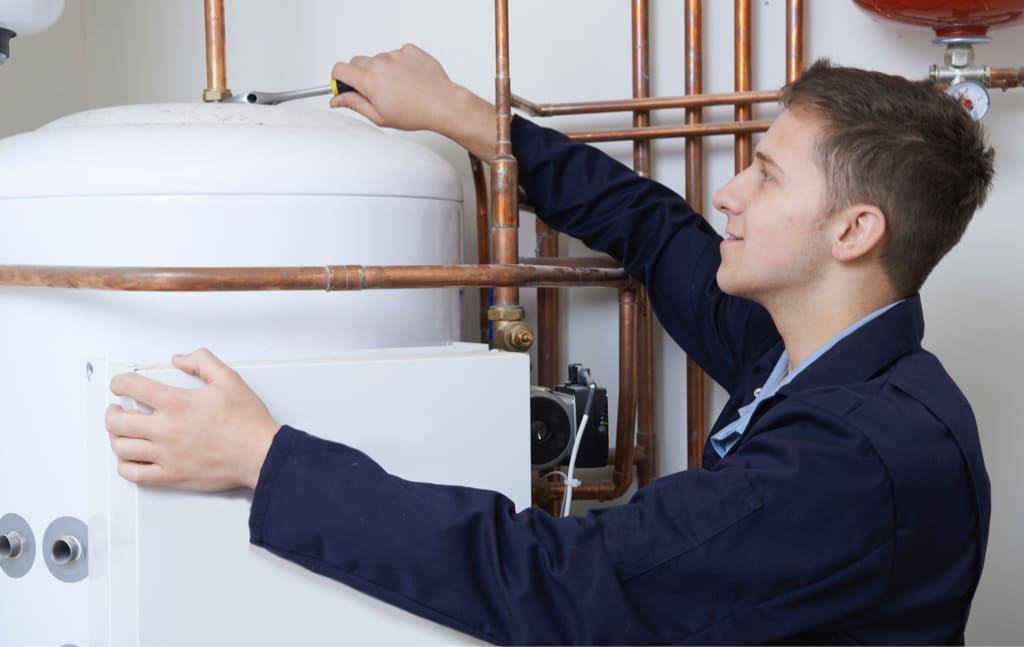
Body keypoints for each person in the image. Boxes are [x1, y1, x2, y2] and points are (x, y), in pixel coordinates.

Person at [105, 44, 994, 644]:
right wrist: (467, 119)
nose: (731, 196)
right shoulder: (808, 355)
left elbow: (559, 580)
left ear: (854, 231)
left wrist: (264, 458)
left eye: (766, 174)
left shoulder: (851, 459)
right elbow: (651, 227)